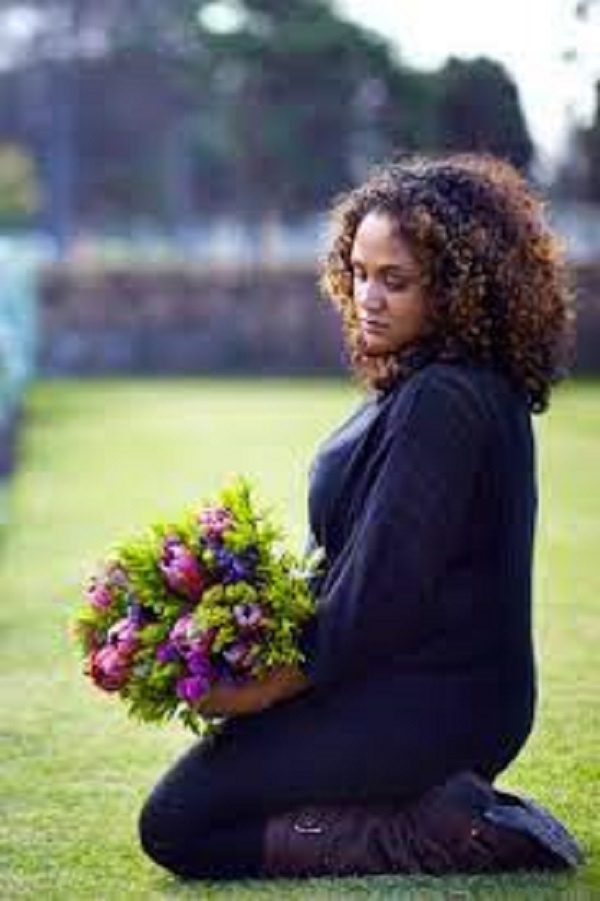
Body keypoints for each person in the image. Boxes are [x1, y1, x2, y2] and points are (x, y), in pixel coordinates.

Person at [138, 153, 581, 881]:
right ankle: (438, 807)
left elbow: (381, 600)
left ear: (459, 288)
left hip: (439, 697)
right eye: (359, 271)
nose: (367, 296)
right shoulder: (419, 380)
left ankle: (449, 831)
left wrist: (264, 687)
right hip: (406, 679)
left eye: (395, 280)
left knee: (180, 822)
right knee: (205, 799)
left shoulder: (445, 398)